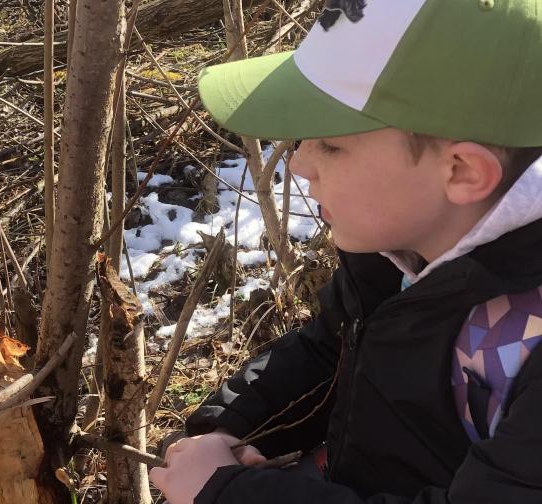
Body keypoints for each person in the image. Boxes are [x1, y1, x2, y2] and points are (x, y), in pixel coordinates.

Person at [148, 0, 542, 502]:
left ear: (462, 172)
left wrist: (232, 495)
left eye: (331, 145)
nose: (298, 163)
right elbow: (334, 350)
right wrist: (231, 426)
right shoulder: (401, 246)